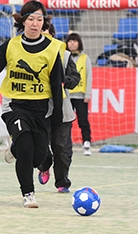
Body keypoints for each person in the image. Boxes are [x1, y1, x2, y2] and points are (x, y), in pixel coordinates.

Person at [0, 0, 65, 208]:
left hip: (41, 109)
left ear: (44, 23)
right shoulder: (12, 45)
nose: (35, 23)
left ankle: (17, 151)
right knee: (25, 147)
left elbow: (56, 85)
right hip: (15, 106)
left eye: (39, 19)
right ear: (23, 22)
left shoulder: (52, 49)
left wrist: (57, 117)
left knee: (40, 156)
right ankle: (28, 194)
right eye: (31, 19)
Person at [37, 24, 81, 193]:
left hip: (62, 110)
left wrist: (63, 82)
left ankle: (62, 182)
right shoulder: (30, 55)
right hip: (38, 108)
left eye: (48, 36)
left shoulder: (64, 55)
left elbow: (75, 77)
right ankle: (44, 166)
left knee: (62, 148)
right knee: (40, 146)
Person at [66, 33, 93, 156]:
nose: (72, 43)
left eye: (75, 41)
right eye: (70, 41)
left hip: (80, 95)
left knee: (83, 120)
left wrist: (88, 93)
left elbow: (89, 76)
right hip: (66, 95)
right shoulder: (64, 57)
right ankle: (66, 143)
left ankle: (86, 142)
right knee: (65, 121)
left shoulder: (85, 57)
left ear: (79, 43)